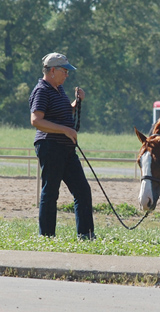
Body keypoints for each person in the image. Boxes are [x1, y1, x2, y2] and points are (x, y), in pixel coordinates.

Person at [29, 52, 95, 240]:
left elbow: (61, 113)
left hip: (66, 148)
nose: (67, 74)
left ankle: (86, 235)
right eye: (64, 71)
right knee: (51, 191)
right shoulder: (42, 90)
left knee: (82, 190)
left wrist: (76, 103)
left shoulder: (58, 89)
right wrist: (65, 130)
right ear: (52, 71)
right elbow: (36, 120)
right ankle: (47, 236)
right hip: (50, 145)